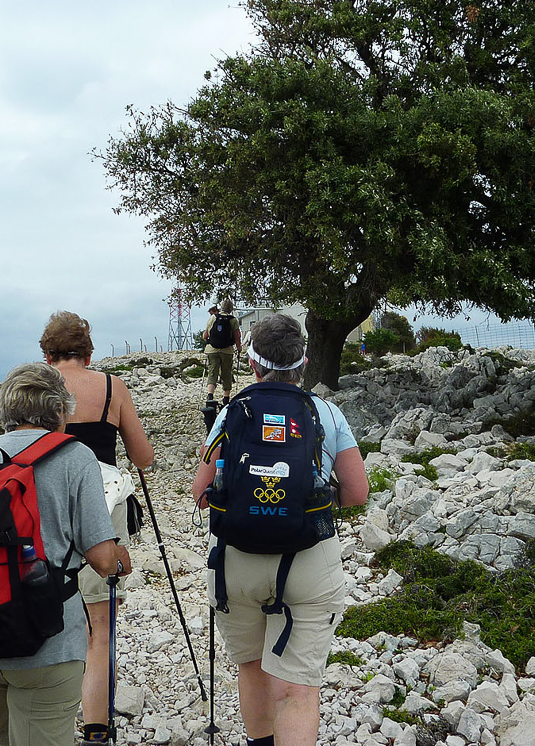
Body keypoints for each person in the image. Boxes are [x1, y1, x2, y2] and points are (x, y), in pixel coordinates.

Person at [191, 314, 368, 746]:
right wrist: (306, 508)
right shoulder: (325, 413)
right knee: (298, 689)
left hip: (236, 562)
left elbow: (200, 493)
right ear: (303, 361)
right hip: (309, 560)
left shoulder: (232, 413)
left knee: (251, 666)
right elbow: (358, 492)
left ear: (252, 364)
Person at [0, 362, 132, 746]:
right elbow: (102, 559)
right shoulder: (75, 457)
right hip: (45, 642)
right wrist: (120, 555)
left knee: (6, 735)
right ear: (60, 411)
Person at [38, 311, 154, 745]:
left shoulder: (38, 387)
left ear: (46, 353)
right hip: (102, 507)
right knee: (99, 628)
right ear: (89, 353)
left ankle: (50, 709)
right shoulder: (111, 387)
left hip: (45, 508)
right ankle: (96, 726)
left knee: (49, 611)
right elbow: (143, 458)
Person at [203, 298, 242, 406]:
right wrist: (239, 349)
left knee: (212, 372)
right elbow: (237, 336)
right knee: (226, 373)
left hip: (212, 349)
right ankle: (226, 398)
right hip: (227, 351)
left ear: (221, 308)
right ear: (231, 309)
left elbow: (205, 335)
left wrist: (210, 342)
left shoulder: (213, 318)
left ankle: (210, 396)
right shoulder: (233, 320)